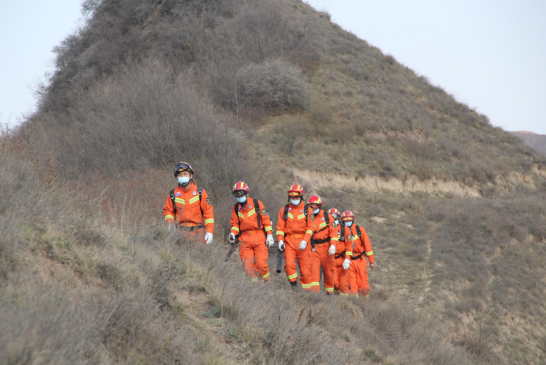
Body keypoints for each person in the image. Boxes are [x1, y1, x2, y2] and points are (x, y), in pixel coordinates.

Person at [229, 181, 274, 282]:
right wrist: (232, 233)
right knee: (248, 267)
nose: (239, 196)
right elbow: (235, 224)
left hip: (259, 237)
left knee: (261, 264)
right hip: (244, 239)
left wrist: (270, 236)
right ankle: (254, 288)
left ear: (247, 193)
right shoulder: (236, 208)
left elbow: (266, 221)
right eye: (237, 194)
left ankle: (267, 283)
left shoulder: (256, 203)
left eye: (241, 193)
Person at [163, 161, 214, 244]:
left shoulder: (200, 192)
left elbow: (208, 213)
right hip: (180, 235)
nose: (182, 176)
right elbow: (168, 211)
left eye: (185, 174)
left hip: (199, 235)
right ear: (176, 177)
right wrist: (170, 223)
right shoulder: (173, 194)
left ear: (191, 175)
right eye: (180, 175)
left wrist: (210, 231)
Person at [276, 184, 314, 290]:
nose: (295, 199)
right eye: (293, 197)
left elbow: (310, 228)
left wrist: (305, 241)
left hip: (304, 243)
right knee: (288, 265)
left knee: (306, 270)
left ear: (301, 197)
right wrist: (280, 241)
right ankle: (294, 286)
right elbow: (280, 228)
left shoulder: (307, 210)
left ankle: (306, 292)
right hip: (289, 241)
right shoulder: (284, 209)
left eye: (297, 197)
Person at [307, 196, 339, 294]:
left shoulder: (327, 216)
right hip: (314, 248)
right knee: (313, 273)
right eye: (311, 206)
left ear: (319, 206)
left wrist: (333, 245)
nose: (313, 208)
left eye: (315, 206)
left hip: (327, 248)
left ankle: (329, 294)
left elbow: (334, 232)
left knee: (329, 273)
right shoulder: (307, 217)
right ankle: (314, 295)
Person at [339, 210, 374, 297]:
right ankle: (355, 304)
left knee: (363, 285)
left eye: (349, 220)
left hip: (360, 260)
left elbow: (367, 246)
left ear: (353, 220)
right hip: (349, 261)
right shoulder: (341, 231)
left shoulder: (360, 230)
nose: (348, 222)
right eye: (346, 221)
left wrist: (371, 261)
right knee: (352, 286)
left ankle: (364, 303)